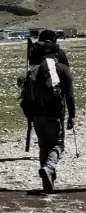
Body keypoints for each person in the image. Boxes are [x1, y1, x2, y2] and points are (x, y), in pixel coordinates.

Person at [20, 32, 75, 192]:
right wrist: (72, 116)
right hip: (54, 113)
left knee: (44, 146)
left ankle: (47, 182)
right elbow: (69, 96)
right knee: (58, 144)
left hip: (36, 114)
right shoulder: (63, 68)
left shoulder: (34, 70)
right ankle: (49, 168)